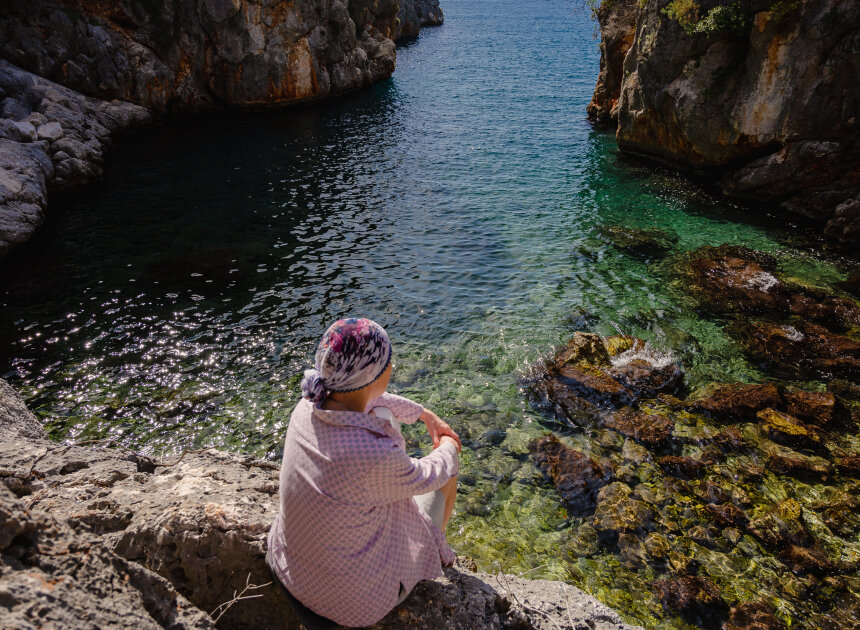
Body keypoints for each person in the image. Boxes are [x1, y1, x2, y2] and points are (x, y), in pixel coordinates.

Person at [266, 317, 461, 628]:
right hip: (351, 604)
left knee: (381, 416)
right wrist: (449, 444)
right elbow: (430, 474)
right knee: (447, 473)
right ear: (374, 375)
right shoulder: (373, 455)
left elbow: (369, 398)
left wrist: (424, 415)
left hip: (291, 572)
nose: (391, 366)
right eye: (388, 362)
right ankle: (435, 550)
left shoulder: (308, 404)